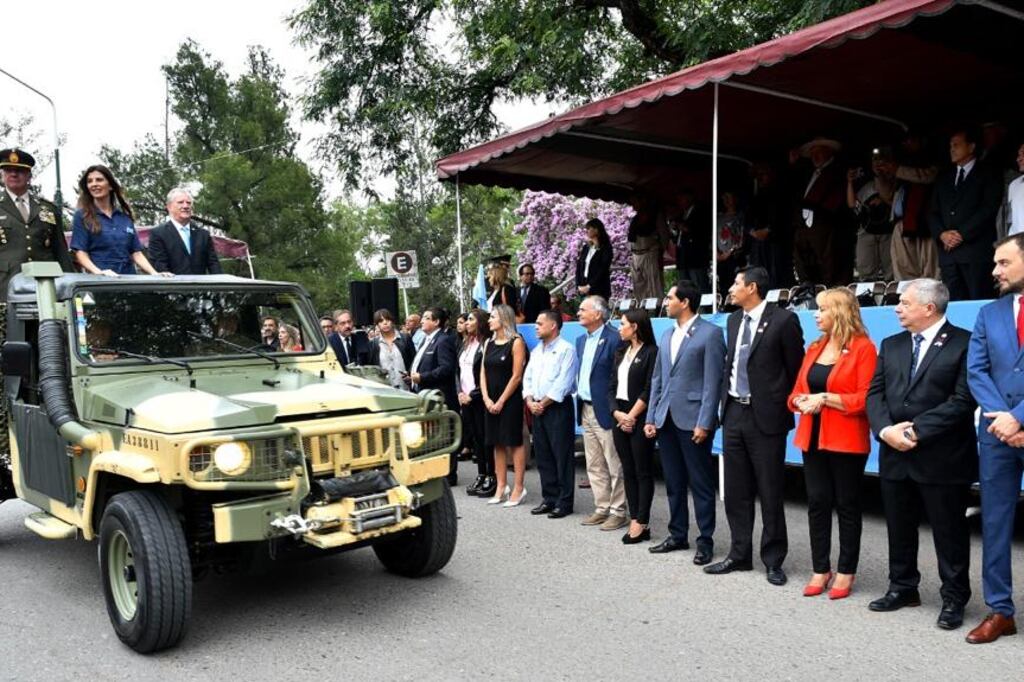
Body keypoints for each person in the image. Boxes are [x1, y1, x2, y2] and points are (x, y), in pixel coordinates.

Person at [865, 278, 976, 631]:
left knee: (949, 532)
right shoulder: (892, 343)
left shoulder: (964, 343)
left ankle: (954, 598)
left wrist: (915, 431)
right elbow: (875, 394)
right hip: (895, 454)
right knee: (899, 527)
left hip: (941, 457)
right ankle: (903, 587)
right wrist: (886, 431)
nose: (897, 308)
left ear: (929, 308)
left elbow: (961, 400)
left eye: (905, 303)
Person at [705, 266, 803, 586]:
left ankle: (773, 560)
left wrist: (777, 402)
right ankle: (739, 554)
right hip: (734, 413)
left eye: (735, 283)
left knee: (770, 490)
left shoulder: (784, 320)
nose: (730, 288)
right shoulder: (733, 320)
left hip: (766, 418)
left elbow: (795, 368)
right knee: (736, 490)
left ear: (753, 288)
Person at [788, 287, 876, 600]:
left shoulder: (864, 348)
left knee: (848, 506)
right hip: (811, 439)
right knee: (817, 503)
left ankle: (846, 571)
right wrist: (800, 401)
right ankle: (820, 568)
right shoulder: (814, 347)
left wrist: (825, 399)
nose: (816, 314)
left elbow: (866, 399)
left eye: (822, 309)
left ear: (839, 312)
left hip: (846, 441)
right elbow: (796, 392)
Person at [0, 149, 76, 498]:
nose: (14, 176)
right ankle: (9, 431)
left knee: (49, 360)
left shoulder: (48, 209)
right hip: (6, 300)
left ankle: (49, 415)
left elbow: (61, 253)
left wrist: (71, 294)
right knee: (13, 366)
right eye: (8, 171)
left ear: (29, 175)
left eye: (20, 172)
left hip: (44, 300)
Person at [964, 233, 1024, 644]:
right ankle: (1000, 611)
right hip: (996, 434)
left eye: (1004, 263)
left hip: (1010, 424)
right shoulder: (989, 313)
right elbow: (977, 371)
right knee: (996, 522)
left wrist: (1019, 418)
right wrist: (1003, 420)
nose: (995, 271)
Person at [643, 280, 725, 562]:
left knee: (700, 482)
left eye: (669, 298)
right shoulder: (665, 335)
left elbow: (713, 383)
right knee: (674, 481)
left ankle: (705, 541)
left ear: (685, 302)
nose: (665, 302)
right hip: (665, 418)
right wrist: (652, 415)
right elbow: (657, 379)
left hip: (693, 420)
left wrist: (705, 422)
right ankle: (677, 534)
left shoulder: (711, 334)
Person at [928, 128, 1002, 301]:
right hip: (948, 255)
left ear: (971, 147)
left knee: (979, 300)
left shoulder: (988, 173)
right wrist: (942, 234)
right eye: (950, 145)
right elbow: (932, 212)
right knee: (953, 304)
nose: (951, 149)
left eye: (956, 145)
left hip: (975, 252)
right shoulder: (944, 177)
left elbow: (989, 208)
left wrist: (962, 234)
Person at [575, 295, 627, 530]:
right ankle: (602, 507)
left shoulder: (615, 338)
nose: (578, 313)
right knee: (594, 462)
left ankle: (618, 510)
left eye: (582, 309)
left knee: (613, 462)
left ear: (597, 314)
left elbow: (618, 378)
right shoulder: (580, 341)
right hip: (585, 407)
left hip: (605, 410)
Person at [608, 309, 658, 544]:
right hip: (620, 415)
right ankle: (634, 516)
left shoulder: (651, 352)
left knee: (642, 470)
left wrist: (631, 416)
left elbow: (650, 388)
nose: (619, 328)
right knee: (628, 469)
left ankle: (642, 520)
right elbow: (610, 386)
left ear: (635, 326)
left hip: (639, 415)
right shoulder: (620, 352)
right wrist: (618, 414)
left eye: (623, 323)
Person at [525, 310, 578, 518]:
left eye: (539, 323)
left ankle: (564, 502)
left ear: (553, 326)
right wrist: (530, 401)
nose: (535, 326)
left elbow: (563, 383)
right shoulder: (537, 351)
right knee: (544, 455)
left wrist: (543, 403)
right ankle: (549, 498)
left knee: (561, 455)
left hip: (556, 408)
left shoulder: (567, 350)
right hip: (537, 408)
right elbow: (528, 379)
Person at [70, 165, 168, 277]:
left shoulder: (124, 218)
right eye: (90, 181)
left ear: (111, 185)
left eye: (99, 180)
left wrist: (154, 273)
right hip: (99, 283)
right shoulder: (82, 215)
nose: (94, 184)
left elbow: (136, 253)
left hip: (128, 281)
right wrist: (99, 273)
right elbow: (80, 252)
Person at [480, 303, 528, 505]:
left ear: (503, 319)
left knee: (513, 441)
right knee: (496, 442)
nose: (489, 320)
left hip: (509, 400)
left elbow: (517, 376)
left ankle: (519, 487)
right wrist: (486, 398)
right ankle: (501, 485)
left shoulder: (516, 342)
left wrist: (500, 401)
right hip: (490, 400)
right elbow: (482, 372)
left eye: (492, 317)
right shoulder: (488, 343)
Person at [409, 307, 459, 485]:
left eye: (426, 318)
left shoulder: (443, 341)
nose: (422, 321)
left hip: (440, 397)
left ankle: (449, 475)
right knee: (431, 436)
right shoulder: (427, 340)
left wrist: (423, 377)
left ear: (436, 322)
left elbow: (446, 368)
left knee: (445, 435)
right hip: (424, 394)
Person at [791, 137, 848, 286]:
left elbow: (837, 198)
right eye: (813, 153)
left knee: (827, 262)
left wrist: (818, 213)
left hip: (825, 225)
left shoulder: (836, 171)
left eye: (820, 152)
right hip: (804, 225)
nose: (815, 157)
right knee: (804, 261)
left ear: (829, 152)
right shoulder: (810, 173)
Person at [459, 309, 495, 497]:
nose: (467, 323)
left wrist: (473, 394)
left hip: (479, 398)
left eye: (471, 320)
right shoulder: (466, 344)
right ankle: (481, 473)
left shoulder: (486, 344)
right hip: (465, 398)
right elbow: (460, 372)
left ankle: (491, 475)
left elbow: (487, 376)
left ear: (480, 322)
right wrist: (460, 392)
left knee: (485, 438)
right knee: (475, 439)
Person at [146, 188, 223, 275]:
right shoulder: (158, 233)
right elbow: (160, 266)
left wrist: (220, 285)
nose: (186, 206)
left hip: (200, 287)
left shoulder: (203, 235)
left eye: (188, 203)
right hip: (172, 286)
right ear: (169, 207)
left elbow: (213, 264)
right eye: (180, 202)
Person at [848, 148, 897, 281]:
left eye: (880, 160)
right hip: (867, 228)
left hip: (888, 229)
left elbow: (893, 201)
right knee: (865, 269)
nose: (877, 163)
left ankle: (890, 296)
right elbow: (852, 204)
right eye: (874, 160)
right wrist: (849, 181)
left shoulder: (893, 177)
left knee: (891, 269)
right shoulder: (863, 178)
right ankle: (867, 296)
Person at [747, 162, 794, 290]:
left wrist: (768, 230)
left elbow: (783, 217)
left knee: (776, 273)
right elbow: (748, 219)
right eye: (758, 175)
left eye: (763, 174)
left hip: (775, 241)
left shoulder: (781, 194)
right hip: (758, 244)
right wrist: (752, 232)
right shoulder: (755, 197)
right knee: (758, 275)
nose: (760, 178)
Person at [666, 189, 711, 292]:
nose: (679, 202)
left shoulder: (700, 211)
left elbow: (699, 231)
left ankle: (704, 308)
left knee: (699, 286)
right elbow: (676, 235)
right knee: (685, 288)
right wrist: (674, 229)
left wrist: (683, 227)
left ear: (689, 198)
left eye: (681, 199)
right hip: (682, 256)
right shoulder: (682, 214)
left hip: (696, 256)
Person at [628, 195, 668, 302]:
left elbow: (664, 235)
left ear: (643, 201)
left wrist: (660, 251)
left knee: (654, 284)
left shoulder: (655, 215)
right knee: (639, 286)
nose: (633, 206)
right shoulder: (635, 219)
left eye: (635, 202)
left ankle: (657, 308)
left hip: (650, 252)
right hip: (636, 255)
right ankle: (643, 308)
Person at [367, 308, 415, 390]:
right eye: (381, 321)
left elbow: (414, 360)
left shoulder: (405, 338)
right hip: (385, 389)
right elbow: (372, 367)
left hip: (405, 387)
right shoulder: (373, 344)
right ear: (377, 325)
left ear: (392, 321)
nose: (385, 323)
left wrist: (410, 375)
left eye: (387, 320)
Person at [575, 218, 613, 300]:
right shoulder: (586, 247)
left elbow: (603, 269)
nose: (586, 231)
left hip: (599, 289)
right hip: (583, 289)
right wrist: (578, 285)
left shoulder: (606, 248)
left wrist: (589, 286)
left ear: (596, 230)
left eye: (589, 228)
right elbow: (579, 266)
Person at [715, 190, 746, 291]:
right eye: (724, 198)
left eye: (729, 197)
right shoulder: (718, 218)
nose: (726, 201)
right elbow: (713, 238)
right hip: (721, 258)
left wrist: (730, 251)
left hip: (737, 257)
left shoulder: (741, 216)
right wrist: (716, 253)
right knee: (725, 288)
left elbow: (743, 236)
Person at [1006, 143, 1024, 237]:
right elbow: (1011, 221)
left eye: (1023, 154)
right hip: (1018, 246)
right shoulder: (1014, 185)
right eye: (1019, 155)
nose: (1018, 159)